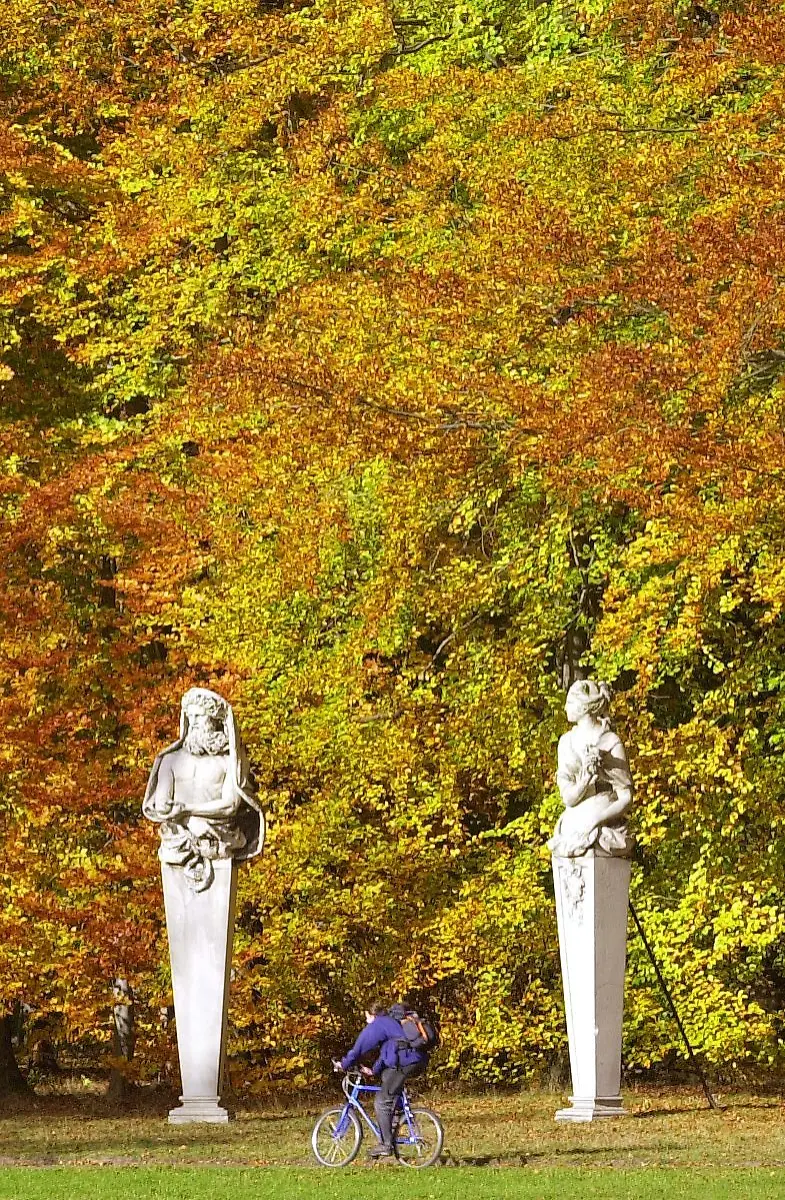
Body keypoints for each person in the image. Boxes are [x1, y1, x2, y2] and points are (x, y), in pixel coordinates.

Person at [547, 679, 634, 858]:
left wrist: (596, 819)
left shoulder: (610, 742)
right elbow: (568, 798)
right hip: (571, 825)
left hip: (602, 822)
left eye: (570, 702)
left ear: (584, 707)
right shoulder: (565, 743)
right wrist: (584, 781)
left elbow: (626, 798)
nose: (565, 708)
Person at [334, 1002, 428, 1159]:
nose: (366, 1022)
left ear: (371, 1015)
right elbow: (390, 1050)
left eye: (366, 1018)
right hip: (413, 1059)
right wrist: (374, 1070)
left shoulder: (378, 1024)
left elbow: (359, 1048)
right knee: (387, 1080)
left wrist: (344, 1064)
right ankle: (396, 1119)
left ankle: (386, 1145)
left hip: (404, 1061)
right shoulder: (391, 1023)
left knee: (381, 1102)